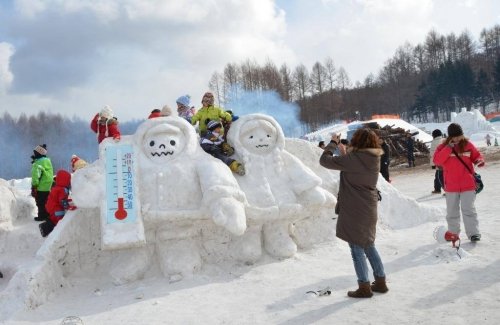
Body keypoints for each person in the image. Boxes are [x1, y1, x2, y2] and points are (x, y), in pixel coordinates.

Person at [319, 128, 388, 298]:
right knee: (368, 244)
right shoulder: (373, 157)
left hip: (354, 208)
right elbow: (353, 163)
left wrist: (333, 143)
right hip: (368, 206)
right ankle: (380, 282)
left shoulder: (353, 159)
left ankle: (364, 287)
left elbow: (324, 160)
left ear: (357, 141)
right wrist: (344, 152)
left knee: (356, 247)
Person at [433, 123, 485, 242]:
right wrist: (448, 148)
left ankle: (473, 234)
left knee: (469, 210)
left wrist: (479, 161)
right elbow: (437, 161)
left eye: (459, 136)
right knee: (452, 212)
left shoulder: (467, 144)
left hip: (468, 184)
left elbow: (476, 156)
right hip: (451, 186)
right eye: (454, 137)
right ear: (449, 137)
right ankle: (453, 234)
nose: (456, 139)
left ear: (462, 135)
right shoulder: (442, 147)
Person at [39, 169, 76, 237]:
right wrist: (69, 207)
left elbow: (60, 199)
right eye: (68, 180)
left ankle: (46, 225)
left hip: (52, 206)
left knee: (54, 218)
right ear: (65, 180)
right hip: (56, 207)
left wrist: (68, 202)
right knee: (59, 221)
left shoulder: (57, 187)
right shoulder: (62, 189)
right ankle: (45, 228)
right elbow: (62, 200)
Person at [31, 144, 54, 222]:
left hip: (41, 186)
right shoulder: (47, 161)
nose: (34, 154)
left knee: (40, 202)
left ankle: (41, 216)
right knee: (46, 201)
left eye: (35, 152)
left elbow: (36, 176)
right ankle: (47, 215)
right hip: (48, 186)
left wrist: (34, 186)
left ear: (39, 153)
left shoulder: (38, 163)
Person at [430, 129, 444, 194]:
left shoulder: (434, 142)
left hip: (439, 163)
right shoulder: (444, 140)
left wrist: (433, 164)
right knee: (446, 177)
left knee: (438, 177)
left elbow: (433, 154)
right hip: (446, 162)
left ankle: (438, 190)